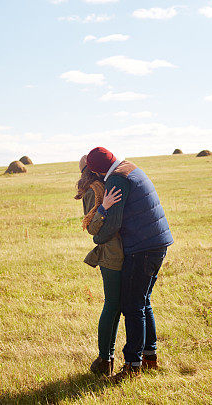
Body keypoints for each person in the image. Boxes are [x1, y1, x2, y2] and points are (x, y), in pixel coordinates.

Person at [84, 146, 174, 381]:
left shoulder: (117, 179)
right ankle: (150, 357)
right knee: (143, 302)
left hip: (142, 248)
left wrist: (97, 238)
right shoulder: (130, 167)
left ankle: (132, 367)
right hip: (157, 242)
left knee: (133, 306)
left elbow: (111, 224)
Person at [76, 155, 124, 377]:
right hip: (111, 256)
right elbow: (92, 227)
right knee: (112, 306)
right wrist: (104, 207)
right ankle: (106, 358)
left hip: (124, 253)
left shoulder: (110, 183)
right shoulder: (92, 191)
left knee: (122, 306)